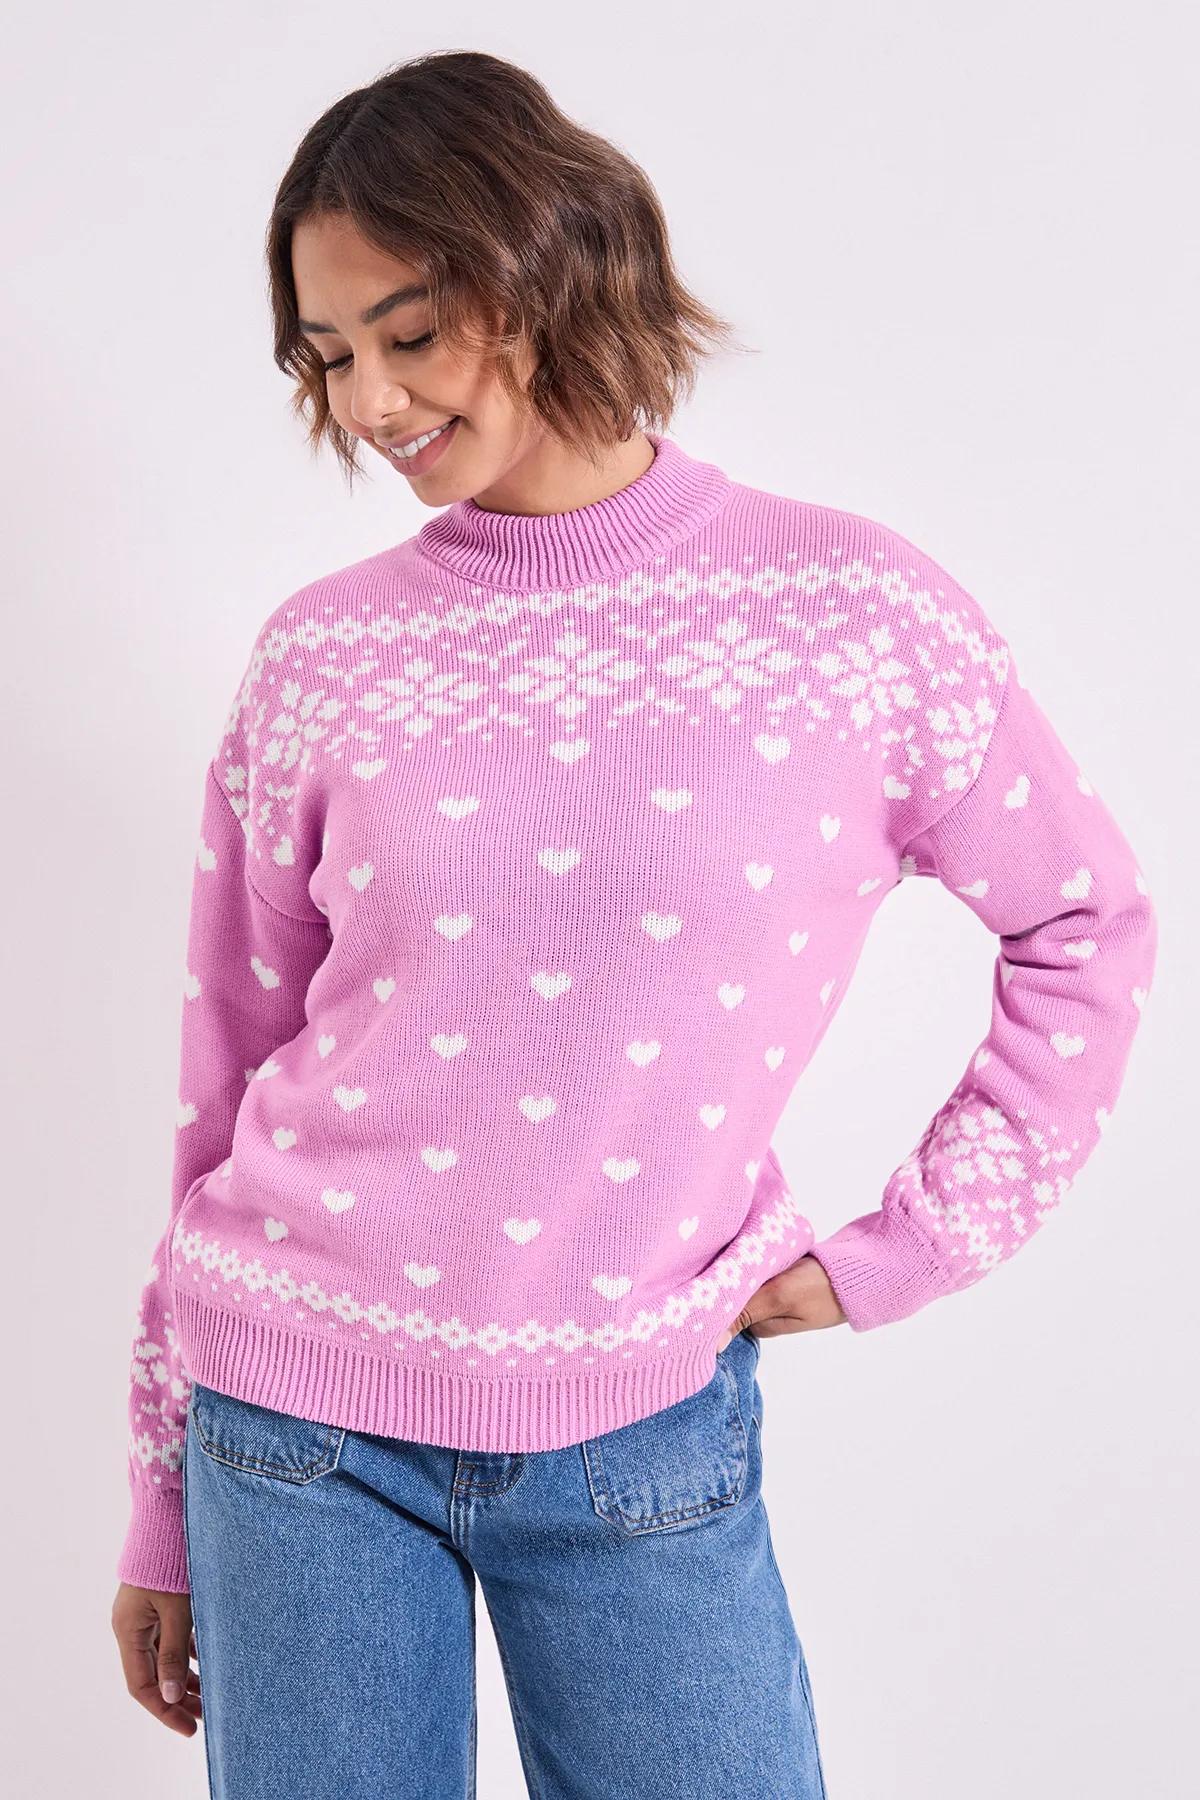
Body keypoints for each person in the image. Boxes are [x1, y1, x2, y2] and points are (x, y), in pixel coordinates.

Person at [110, 49, 1156, 1800]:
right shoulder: (323, 656)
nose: (370, 400)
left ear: (548, 268)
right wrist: (161, 1493)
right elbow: (226, 1080)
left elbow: (1086, 924)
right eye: (329, 354)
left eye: (408, 332)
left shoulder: (849, 613)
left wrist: (920, 1243)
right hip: (292, 1428)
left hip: (646, 1424)